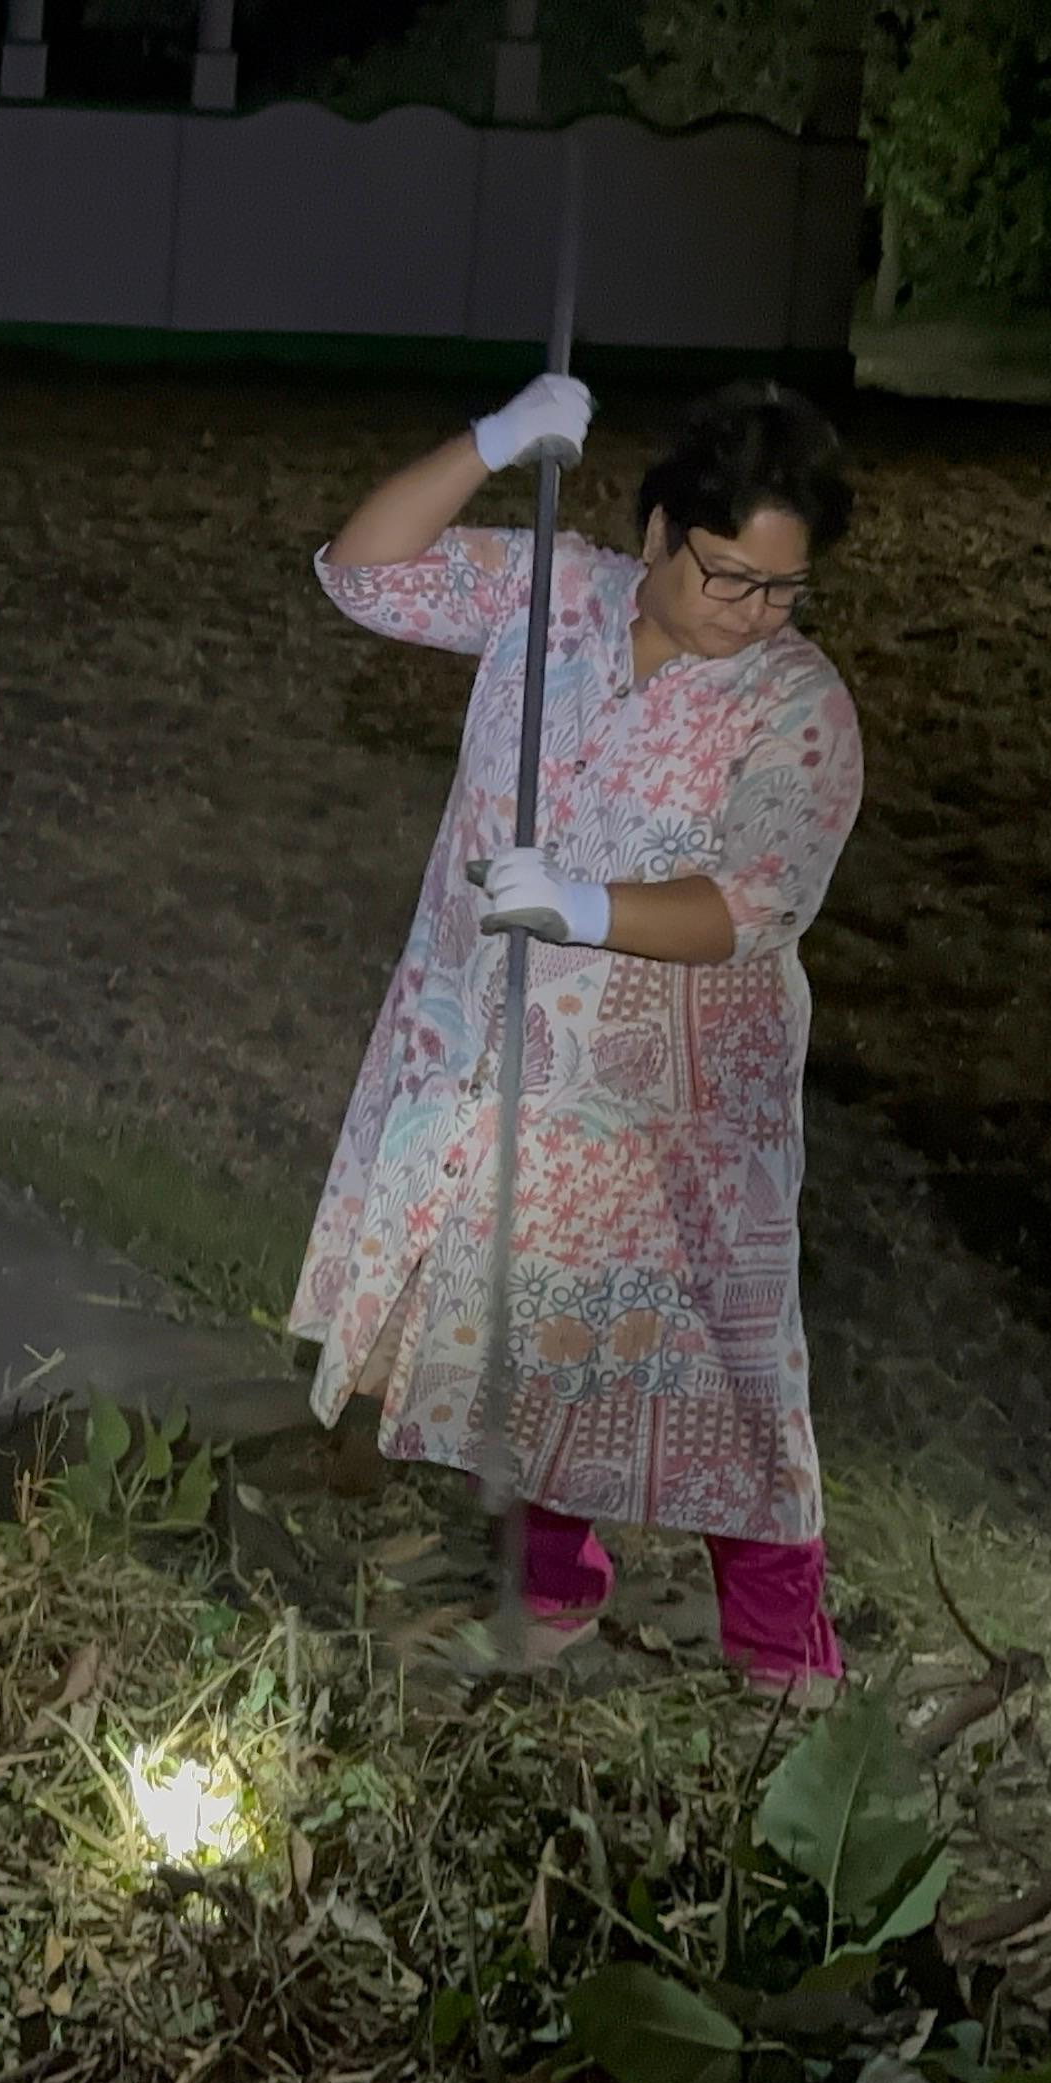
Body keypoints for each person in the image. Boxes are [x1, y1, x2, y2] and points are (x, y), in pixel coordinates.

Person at [292, 377, 866, 1689]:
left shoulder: (796, 706)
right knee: (531, 1324)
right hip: (506, 1057)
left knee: (731, 1364)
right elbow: (362, 573)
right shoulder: (551, 595)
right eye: (729, 575)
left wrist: (587, 907)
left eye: (784, 589)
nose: (754, 611)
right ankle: (552, 1589)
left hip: (685, 1097)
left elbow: (760, 901)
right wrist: (495, 440)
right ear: (658, 532)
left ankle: (782, 1653)